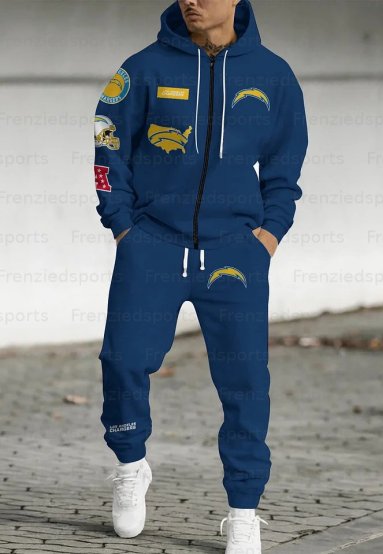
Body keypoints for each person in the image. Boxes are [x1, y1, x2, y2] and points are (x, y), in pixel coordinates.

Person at [94, 0, 308, 551]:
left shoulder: (273, 76)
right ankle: (130, 463)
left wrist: (267, 236)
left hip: (235, 254)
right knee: (122, 359)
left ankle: (243, 510)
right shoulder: (142, 69)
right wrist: (123, 227)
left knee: (245, 384)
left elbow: (285, 165)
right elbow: (108, 143)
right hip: (152, 246)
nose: (191, 0)